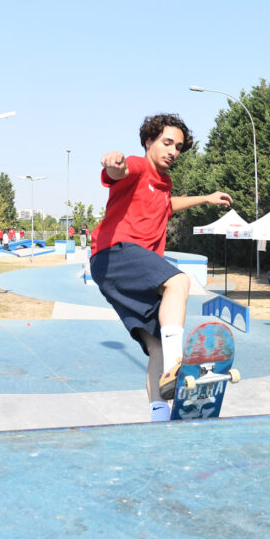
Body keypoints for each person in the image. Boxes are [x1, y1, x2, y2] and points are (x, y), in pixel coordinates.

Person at [89, 113, 232, 422]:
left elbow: (168, 204)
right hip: (116, 252)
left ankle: (159, 416)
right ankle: (175, 366)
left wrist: (206, 199)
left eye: (178, 147)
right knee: (179, 282)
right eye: (167, 143)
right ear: (149, 141)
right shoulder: (139, 167)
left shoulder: (163, 184)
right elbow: (120, 170)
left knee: (157, 346)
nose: (173, 152)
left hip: (114, 269)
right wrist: (113, 163)